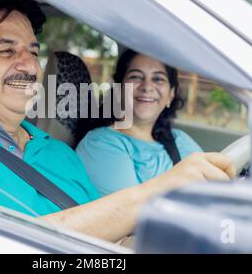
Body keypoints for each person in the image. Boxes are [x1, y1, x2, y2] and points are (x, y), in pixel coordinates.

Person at [0, 0, 235, 243]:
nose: (28, 65)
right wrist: (155, 193)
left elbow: (106, 236)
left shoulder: (57, 151)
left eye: (32, 51)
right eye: (6, 51)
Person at [76, 50, 202, 195]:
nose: (147, 87)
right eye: (136, 77)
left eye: (158, 79)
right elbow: (128, 211)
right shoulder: (100, 143)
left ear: (170, 95)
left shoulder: (180, 140)